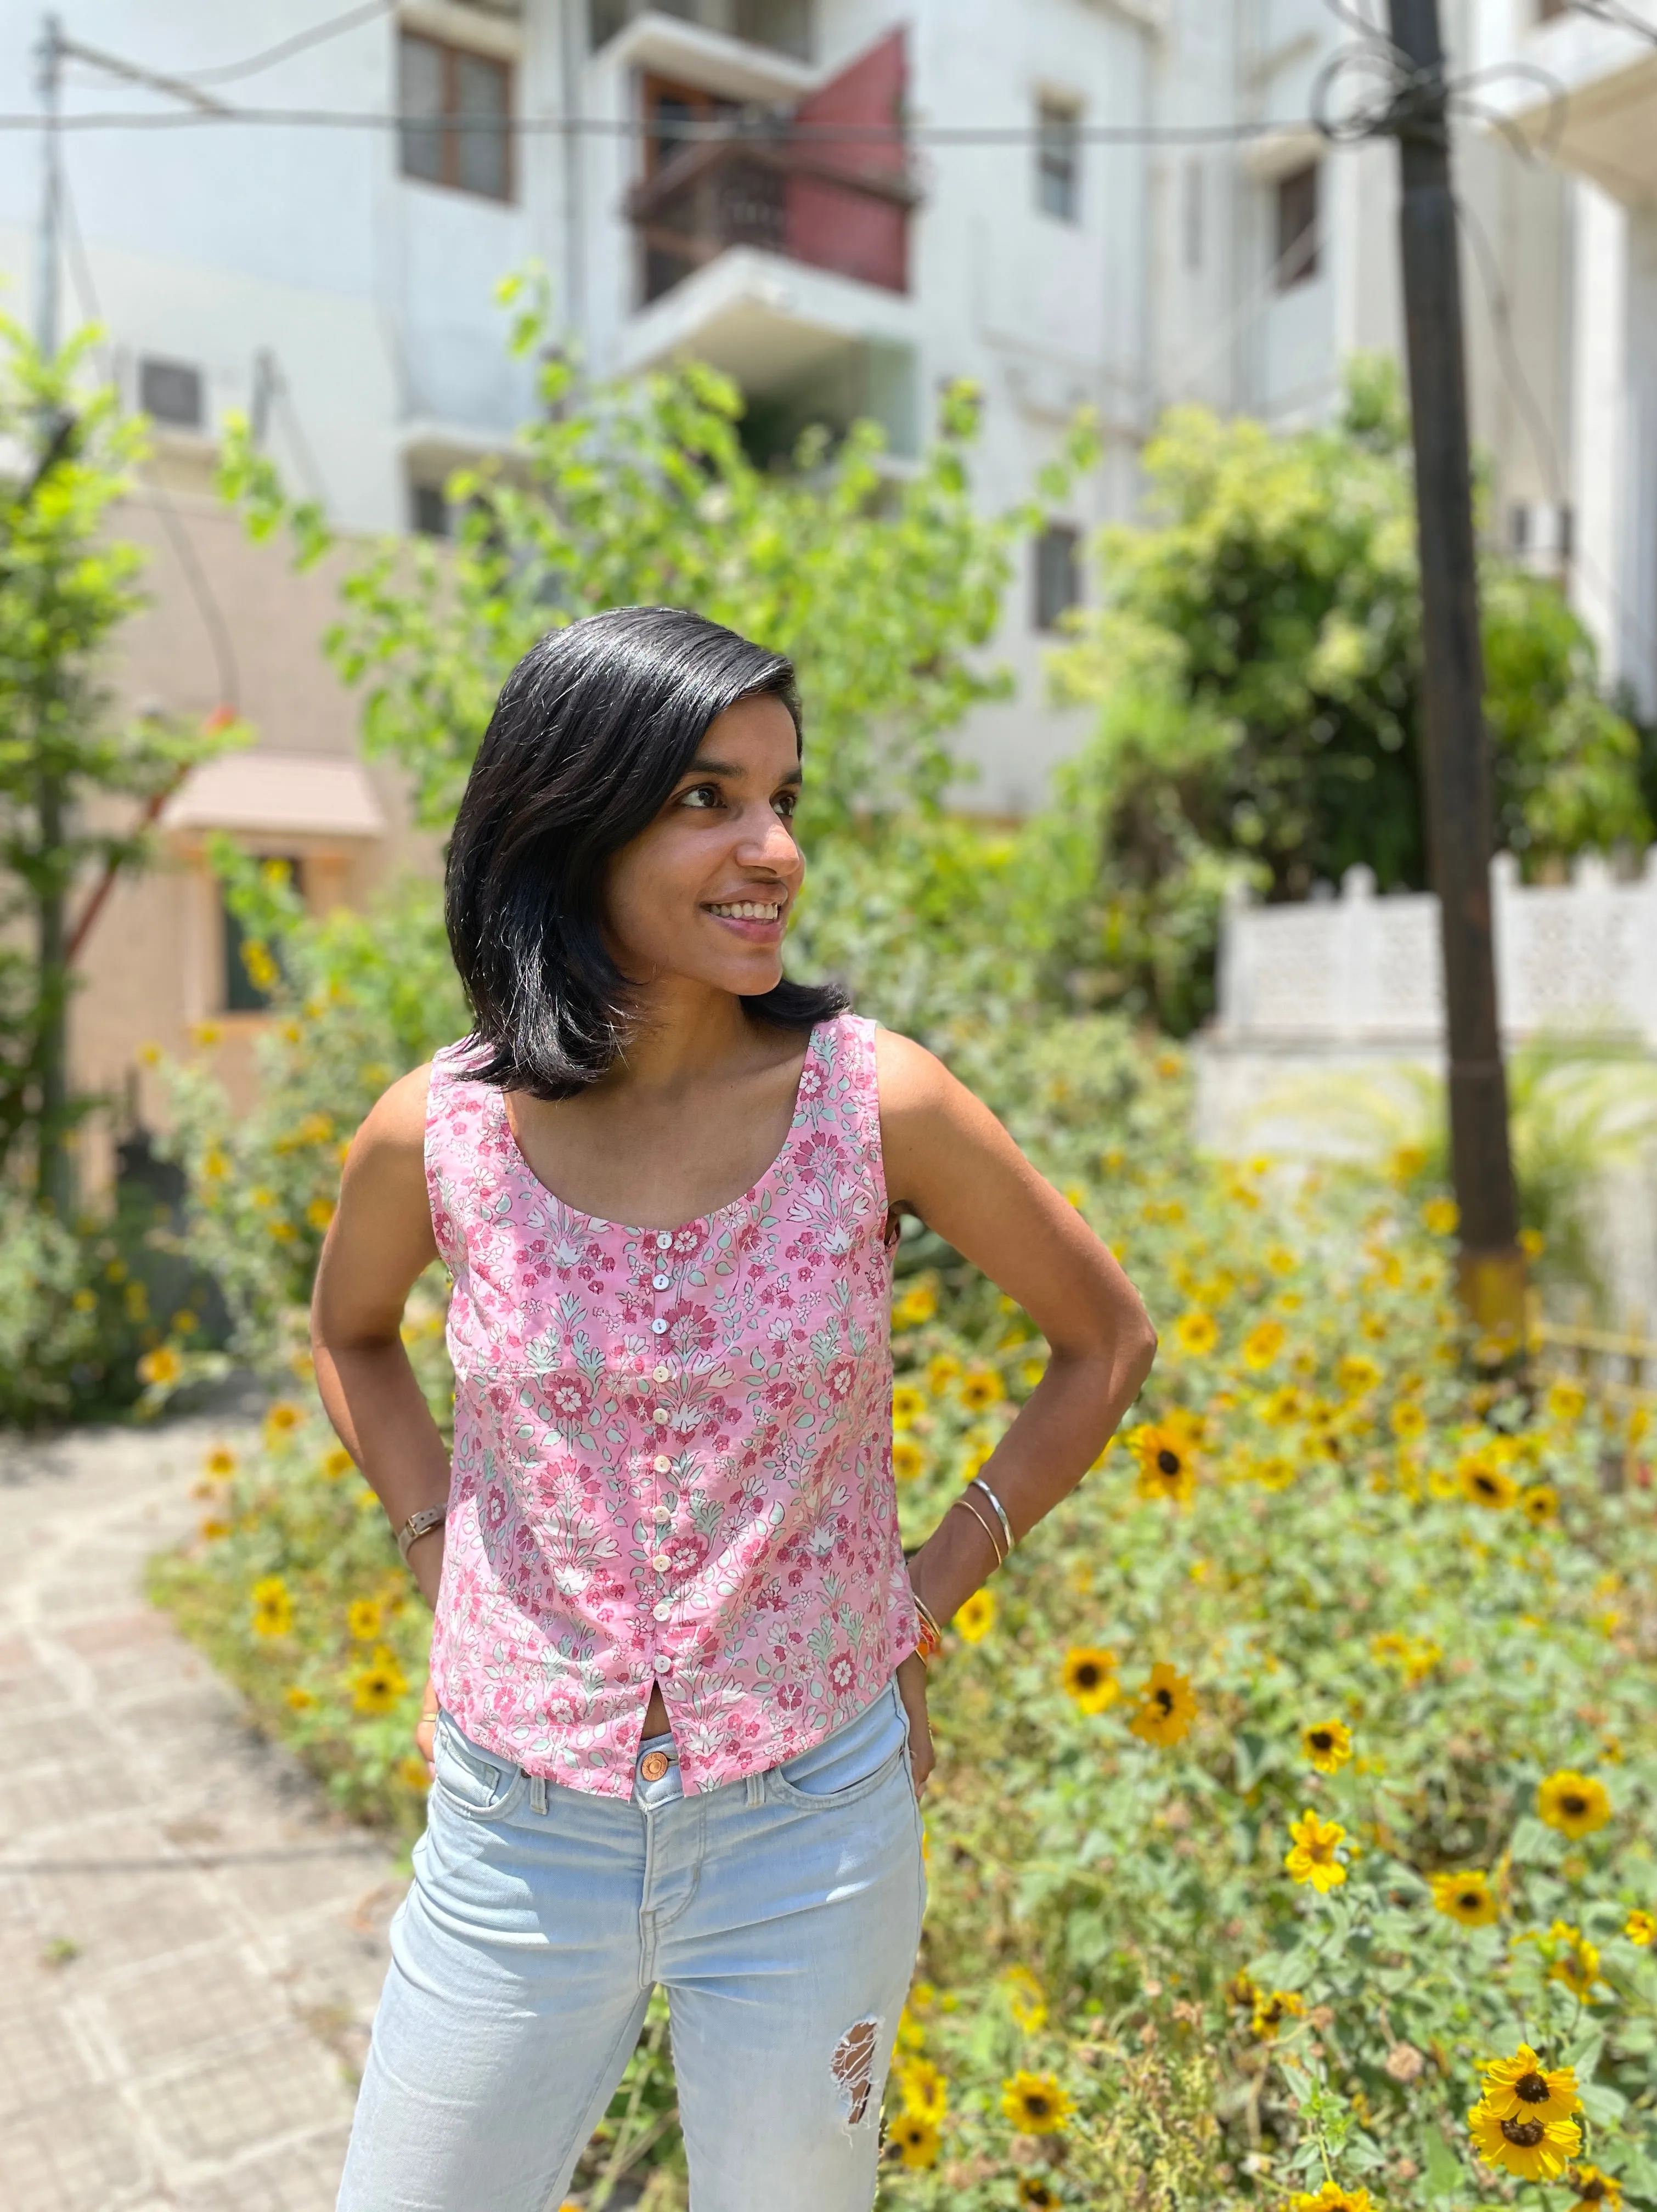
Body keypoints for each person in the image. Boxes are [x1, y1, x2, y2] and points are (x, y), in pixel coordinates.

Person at [314, 606, 1156, 2212]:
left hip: (809, 1834)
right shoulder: (442, 1130)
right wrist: (442, 1557)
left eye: (783, 799)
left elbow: (1103, 1342)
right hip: (515, 1831)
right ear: (573, 818)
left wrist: (925, 1592)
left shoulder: (873, 1101)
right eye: (708, 798)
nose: (772, 847)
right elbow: (353, 1338)